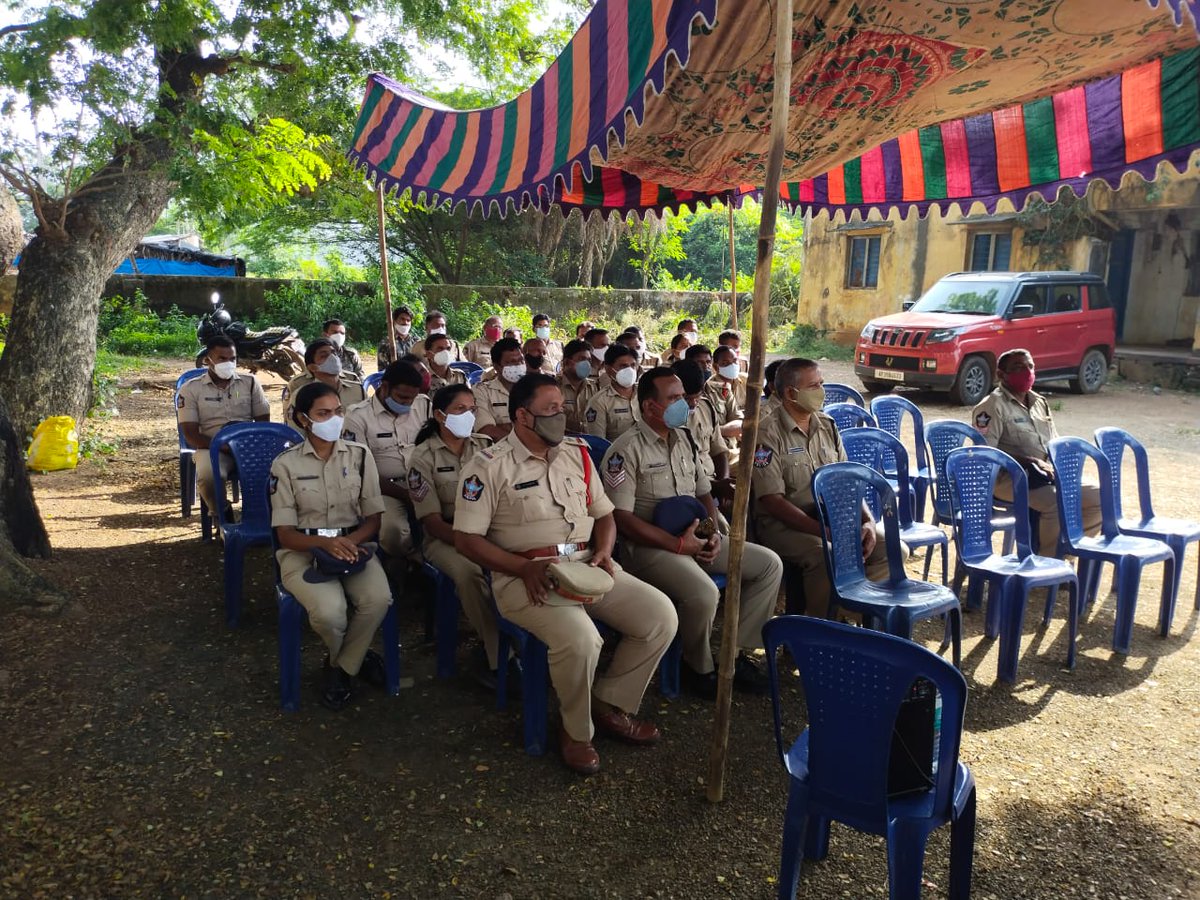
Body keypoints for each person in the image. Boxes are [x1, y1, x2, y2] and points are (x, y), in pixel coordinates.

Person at [453, 373, 678, 775]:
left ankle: (608, 704)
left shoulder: (577, 453)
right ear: (523, 416)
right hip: (524, 576)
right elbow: (466, 540)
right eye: (551, 409)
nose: (561, 415)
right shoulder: (487, 466)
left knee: (660, 615)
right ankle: (576, 731)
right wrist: (522, 567)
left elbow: (605, 515)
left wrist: (605, 551)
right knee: (582, 639)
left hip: (588, 563)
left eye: (562, 407)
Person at [602, 367, 782, 699]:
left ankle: (736, 654)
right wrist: (677, 544)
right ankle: (697, 665)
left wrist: (710, 533)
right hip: (649, 547)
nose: (683, 404)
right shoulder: (624, 450)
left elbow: (703, 494)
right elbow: (621, 518)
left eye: (683, 396)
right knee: (704, 592)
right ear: (650, 406)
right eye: (673, 398)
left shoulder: (684, 438)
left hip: (695, 536)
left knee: (769, 564)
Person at [270, 381, 393, 710]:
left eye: (338, 411)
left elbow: (373, 519)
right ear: (303, 419)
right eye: (323, 413)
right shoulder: (285, 464)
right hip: (303, 550)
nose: (335, 419)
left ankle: (341, 667)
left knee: (378, 599)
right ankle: (356, 659)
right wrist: (324, 544)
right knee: (330, 614)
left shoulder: (360, 455)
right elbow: (285, 534)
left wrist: (347, 542)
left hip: (353, 545)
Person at [751, 358, 899, 613]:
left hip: (832, 519)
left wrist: (867, 522)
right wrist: (826, 533)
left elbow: (847, 481)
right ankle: (818, 623)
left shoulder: (827, 426)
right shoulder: (767, 432)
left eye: (821, 383)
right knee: (826, 555)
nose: (821, 391)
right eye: (814, 386)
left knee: (893, 549)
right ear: (791, 393)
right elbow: (772, 500)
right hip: (784, 525)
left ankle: (847, 610)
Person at [406, 385, 503, 688]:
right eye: (460, 410)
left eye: (472, 409)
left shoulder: (486, 447)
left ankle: (530, 638)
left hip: (489, 530)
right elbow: (432, 522)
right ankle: (498, 655)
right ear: (439, 415)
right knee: (468, 572)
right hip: (445, 537)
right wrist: (471, 543)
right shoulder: (422, 457)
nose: (469, 416)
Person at [973, 348, 1102, 554]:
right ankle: (1048, 563)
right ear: (1001, 374)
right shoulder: (992, 405)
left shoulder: (1039, 402)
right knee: (1056, 503)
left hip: (1045, 474)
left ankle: (1064, 552)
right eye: (1018, 367)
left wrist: (1061, 464)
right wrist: (1029, 461)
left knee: (1100, 498)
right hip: (1009, 478)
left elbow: (1054, 442)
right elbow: (985, 452)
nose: (1027, 372)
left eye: (1030, 366)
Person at [343, 361, 432, 562]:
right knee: (393, 531)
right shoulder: (357, 416)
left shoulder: (423, 404)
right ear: (384, 387)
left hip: (424, 480)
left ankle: (432, 558)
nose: (408, 404)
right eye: (402, 397)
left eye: (412, 398)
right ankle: (407, 560)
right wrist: (405, 495)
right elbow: (360, 470)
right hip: (382, 488)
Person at [177, 335, 271, 517]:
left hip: (248, 447)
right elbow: (190, 434)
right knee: (209, 476)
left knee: (277, 471)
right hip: (211, 447)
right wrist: (222, 446)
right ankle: (222, 513)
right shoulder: (190, 389)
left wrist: (249, 445)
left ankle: (261, 517)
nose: (228, 363)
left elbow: (263, 423)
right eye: (222, 358)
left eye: (232, 359)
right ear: (207, 360)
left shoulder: (250, 383)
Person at [673, 360, 733, 518]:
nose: (693, 404)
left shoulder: (706, 407)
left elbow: (719, 449)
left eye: (697, 397)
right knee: (716, 523)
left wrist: (724, 481)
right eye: (686, 399)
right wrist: (716, 487)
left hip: (713, 484)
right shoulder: (667, 418)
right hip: (688, 492)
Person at [282, 338, 366, 425]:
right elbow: (296, 430)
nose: (333, 358)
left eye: (334, 353)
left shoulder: (358, 390)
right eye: (324, 356)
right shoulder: (300, 395)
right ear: (312, 367)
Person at [584, 343, 641, 441]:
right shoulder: (599, 402)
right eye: (623, 366)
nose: (630, 370)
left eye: (632, 365)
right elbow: (598, 442)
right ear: (608, 369)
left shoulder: (646, 393)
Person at [472, 337, 525, 440]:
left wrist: (502, 426)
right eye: (512, 362)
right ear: (497, 367)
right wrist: (521, 440)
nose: (518, 365)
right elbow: (486, 430)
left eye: (521, 360)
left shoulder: (534, 388)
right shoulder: (482, 391)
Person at [558, 339, 598, 434]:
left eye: (589, 360)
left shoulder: (594, 386)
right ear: (567, 362)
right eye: (582, 359)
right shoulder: (554, 387)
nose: (587, 364)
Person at [377, 305, 420, 370]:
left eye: (408, 320)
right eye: (402, 319)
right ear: (394, 321)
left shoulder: (417, 342)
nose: (405, 322)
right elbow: (383, 369)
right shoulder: (386, 343)